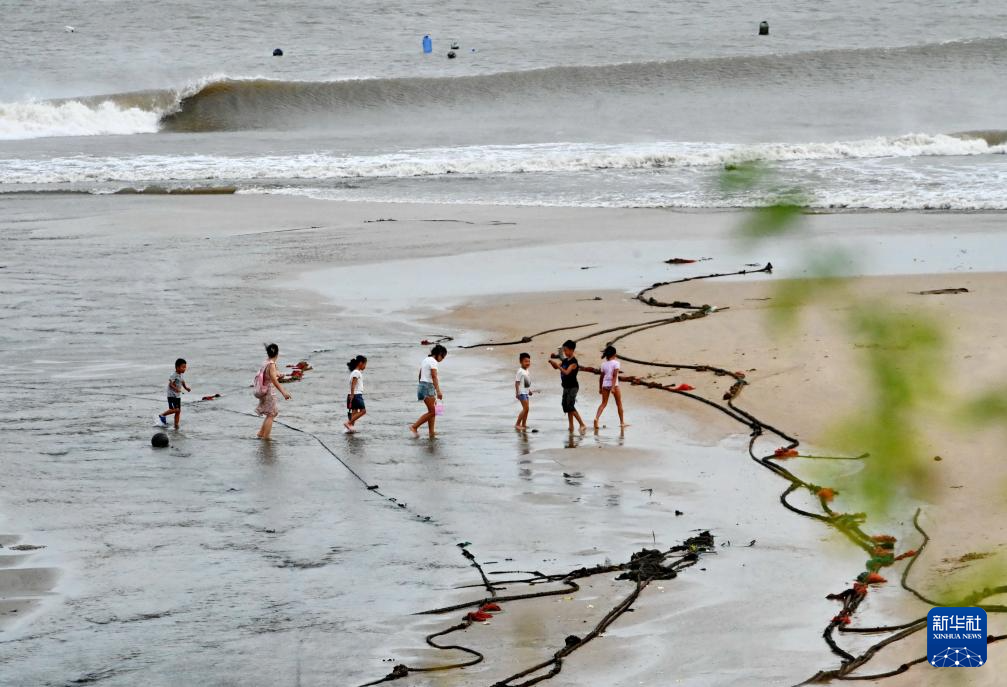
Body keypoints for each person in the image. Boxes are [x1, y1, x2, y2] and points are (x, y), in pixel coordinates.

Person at [548, 340, 587, 433]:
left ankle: (582, 424)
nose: (564, 352)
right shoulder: (565, 360)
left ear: (572, 350)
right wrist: (553, 364)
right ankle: (571, 426)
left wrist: (558, 366)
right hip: (566, 387)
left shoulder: (574, 362)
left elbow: (566, 372)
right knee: (565, 405)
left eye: (566, 350)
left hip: (573, 387)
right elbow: (557, 367)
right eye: (564, 350)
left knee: (570, 405)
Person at [256, 343, 291, 440]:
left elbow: (269, 375)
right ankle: (266, 437)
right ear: (277, 354)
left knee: (271, 413)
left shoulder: (266, 362)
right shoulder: (271, 365)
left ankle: (260, 433)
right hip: (268, 392)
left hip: (263, 390)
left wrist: (278, 374)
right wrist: (284, 392)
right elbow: (274, 380)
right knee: (271, 414)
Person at [410, 344, 446, 438]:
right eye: (442, 356)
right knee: (434, 411)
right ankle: (414, 427)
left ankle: (431, 432)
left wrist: (421, 386)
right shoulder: (433, 361)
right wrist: (438, 391)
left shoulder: (426, 359)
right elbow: (434, 376)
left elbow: (420, 373)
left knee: (432, 411)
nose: (442, 359)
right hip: (427, 387)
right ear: (439, 354)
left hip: (423, 385)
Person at [594, 345, 628, 429]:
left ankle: (596, 418)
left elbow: (601, 377)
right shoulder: (616, 363)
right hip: (614, 385)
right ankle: (622, 422)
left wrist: (600, 388)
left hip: (605, 385)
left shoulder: (603, 364)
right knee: (619, 404)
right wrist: (613, 387)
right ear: (614, 354)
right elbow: (614, 376)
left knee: (603, 403)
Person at [158, 358, 191, 429]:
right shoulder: (173, 375)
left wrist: (186, 388)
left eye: (185, 367)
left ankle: (176, 425)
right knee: (176, 409)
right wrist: (176, 389)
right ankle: (162, 415)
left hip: (177, 396)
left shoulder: (181, 374)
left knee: (178, 411)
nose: (184, 369)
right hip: (171, 395)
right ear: (177, 367)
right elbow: (171, 384)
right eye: (183, 367)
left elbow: (182, 382)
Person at [344, 355, 368, 433]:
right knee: (363, 411)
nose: (365, 366)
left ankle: (349, 429)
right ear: (360, 363)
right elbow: (353, 384)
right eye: (365, 364)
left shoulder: (354, 372)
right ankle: (348, 423)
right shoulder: (356, 372)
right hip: (356, 395)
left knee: (354, 413)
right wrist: (352, 394)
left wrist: (351, 395)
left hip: (353, 394)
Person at [514, 352, 533, 430]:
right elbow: (517, 382)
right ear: (521, 362)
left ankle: (524, 424)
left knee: (527, 409)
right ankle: (517, 424)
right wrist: (517, 392)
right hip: (521, 393)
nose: (527, 363)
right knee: (526, 408)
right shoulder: (520, 371)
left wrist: (529, 390)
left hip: (526, 392)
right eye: (525, 361)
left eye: (528, 361)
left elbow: (526, 383)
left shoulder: (527, 371)